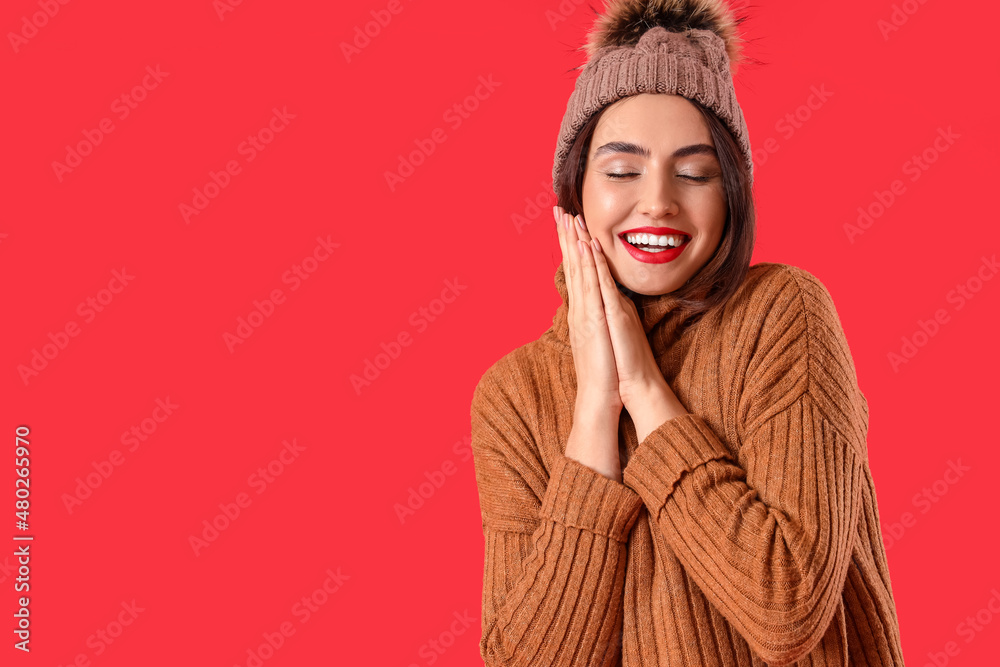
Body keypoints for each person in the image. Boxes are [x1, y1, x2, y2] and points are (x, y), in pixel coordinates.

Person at [469, 0, 906, 665]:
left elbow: (788, 609)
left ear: (731, 194)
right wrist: (594, 408)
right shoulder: (512, 395)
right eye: (621, 171)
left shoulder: (782, 314)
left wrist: (646, 389)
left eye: (695, 173)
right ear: (573, 192)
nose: (658, 202)